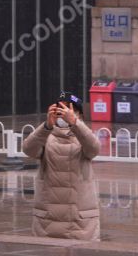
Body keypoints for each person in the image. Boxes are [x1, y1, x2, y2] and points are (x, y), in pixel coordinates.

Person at [22, 92, 101, 241]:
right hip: (48, 220)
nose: (63, 116)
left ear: (79, 115)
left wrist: (75, 124)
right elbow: (28, 149)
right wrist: (46, 126)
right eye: (59, 111)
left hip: (79, 221)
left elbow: (93, 149)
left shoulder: (83, 137)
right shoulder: (46, 136)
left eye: (68, 111)